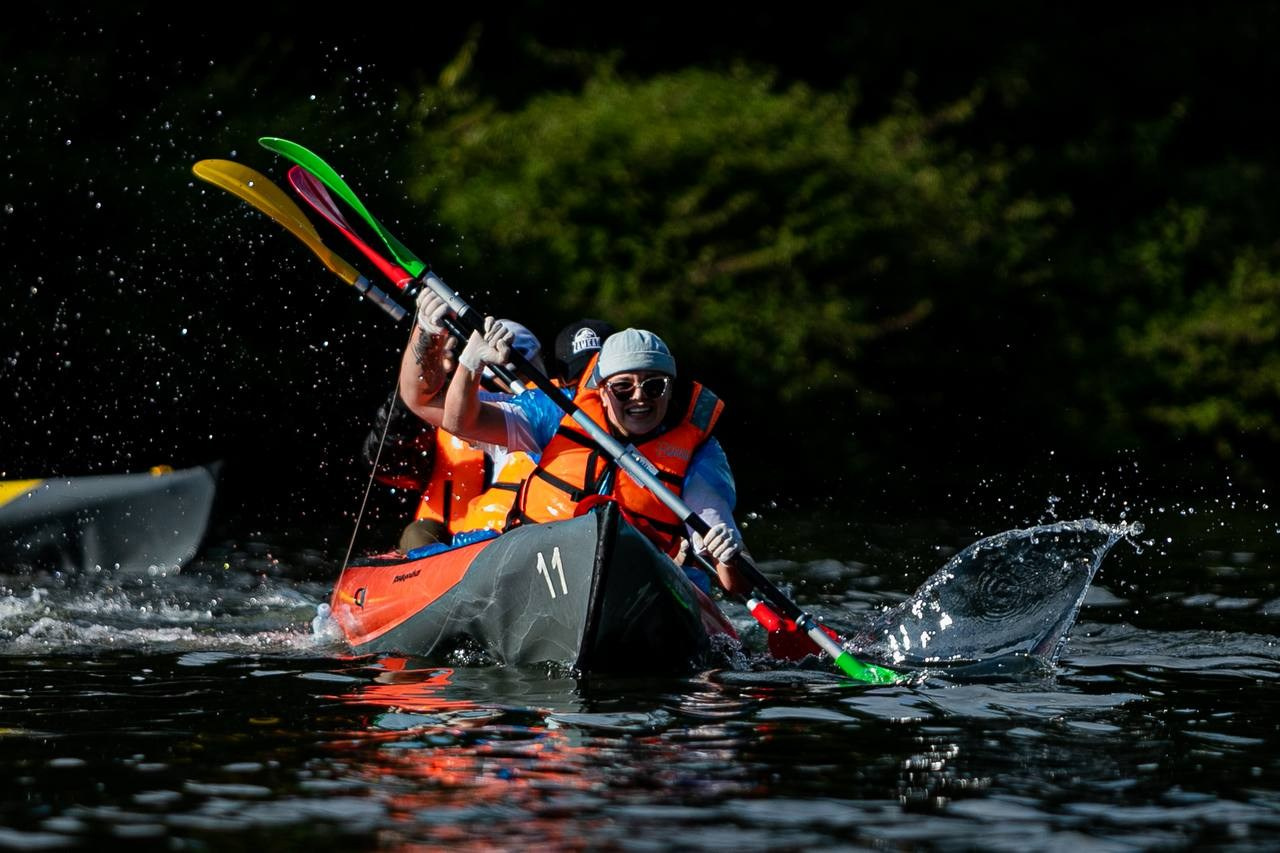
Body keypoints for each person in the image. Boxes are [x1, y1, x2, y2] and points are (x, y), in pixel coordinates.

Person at [406, 316, 751, 595]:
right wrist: (470, 365)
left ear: (671, 388)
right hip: (538, 560)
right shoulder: (558, 413)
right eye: (623, 387)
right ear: (601, 390)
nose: (639, 397)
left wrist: (728, 556)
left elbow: (733, 579)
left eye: (654, 385)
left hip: (643, 582)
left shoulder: (699, 451)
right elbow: (459, 422)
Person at [369, 293, 543, 553]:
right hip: (464, 547)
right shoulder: (472, 409)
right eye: (494, 374)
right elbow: (418, 401)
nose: (506, 385)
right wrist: (429, 335)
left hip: (534, 540)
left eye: (516, 372)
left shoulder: (549, 412)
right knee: (418, 533)